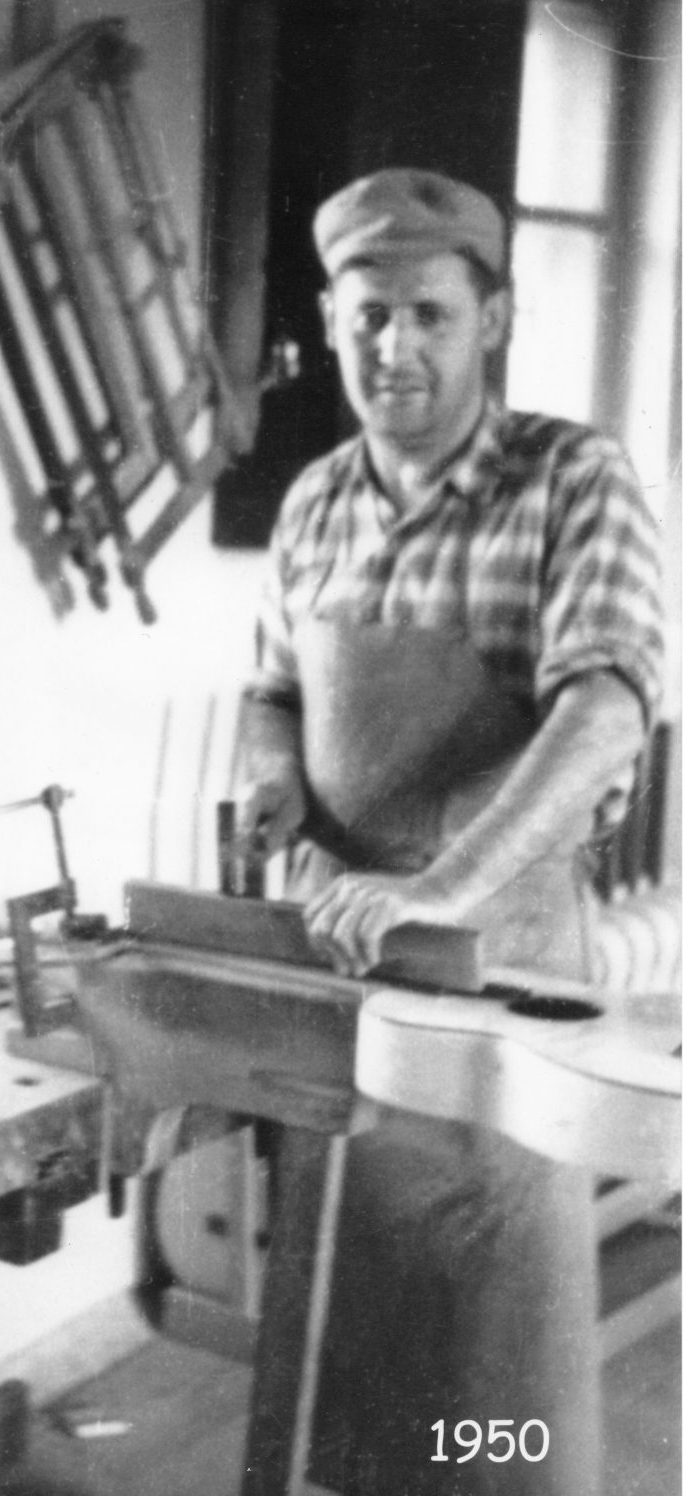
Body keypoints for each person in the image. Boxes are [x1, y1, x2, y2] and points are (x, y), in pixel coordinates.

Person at [235, 169, 664, 1495]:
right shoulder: (314, 501)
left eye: (429, 313)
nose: (395, 347)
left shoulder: (572, 478)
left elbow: (607, 709)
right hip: (347, 968)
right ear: (332, 319)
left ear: (495, 318)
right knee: (347, 1338)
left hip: (503, 969)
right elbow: (269, 693)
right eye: (369, 315)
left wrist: (449, 890)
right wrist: (273, 780)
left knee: (494, 1366)